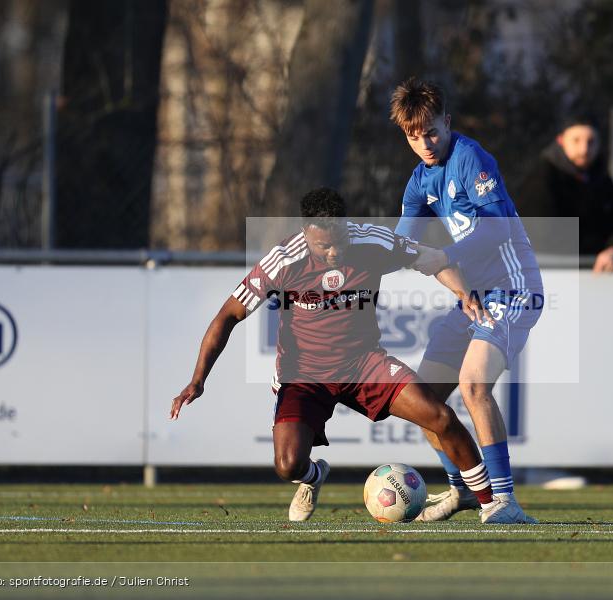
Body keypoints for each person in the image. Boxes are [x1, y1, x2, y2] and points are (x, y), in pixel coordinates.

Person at [170, 187, 517, 524]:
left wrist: (462, 291)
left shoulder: (373, 242)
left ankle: (489, 503)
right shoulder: (283, 260)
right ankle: (313, 476)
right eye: (324, 245)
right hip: (304, 375)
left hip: (364, 364)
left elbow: (433, 258)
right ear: (306, 232)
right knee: (287, 464)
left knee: (439, 416)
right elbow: (227, 315)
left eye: (339, 241)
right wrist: (198, 380)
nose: (334, 251)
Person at [389, 77, 544, 523]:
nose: (425, 144)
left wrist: (443, 256)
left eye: (432, 132)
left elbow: (495, 230)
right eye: (413, 137)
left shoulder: (470, 157)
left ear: (447, 121)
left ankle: (505, 501)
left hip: (515, 289)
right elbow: (404, 247)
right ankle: (461, 491)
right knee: (424, 402)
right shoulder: (419, 182)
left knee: (474, 385)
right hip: (474, 297)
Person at [515, 114, 613, 272]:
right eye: (576, 140)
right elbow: (543, 235)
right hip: (552, 276)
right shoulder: (541, 180)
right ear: (561, 140)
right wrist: (599, 246)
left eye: (591, 141)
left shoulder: (602, 180)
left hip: (593, 278)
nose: (584, 149)